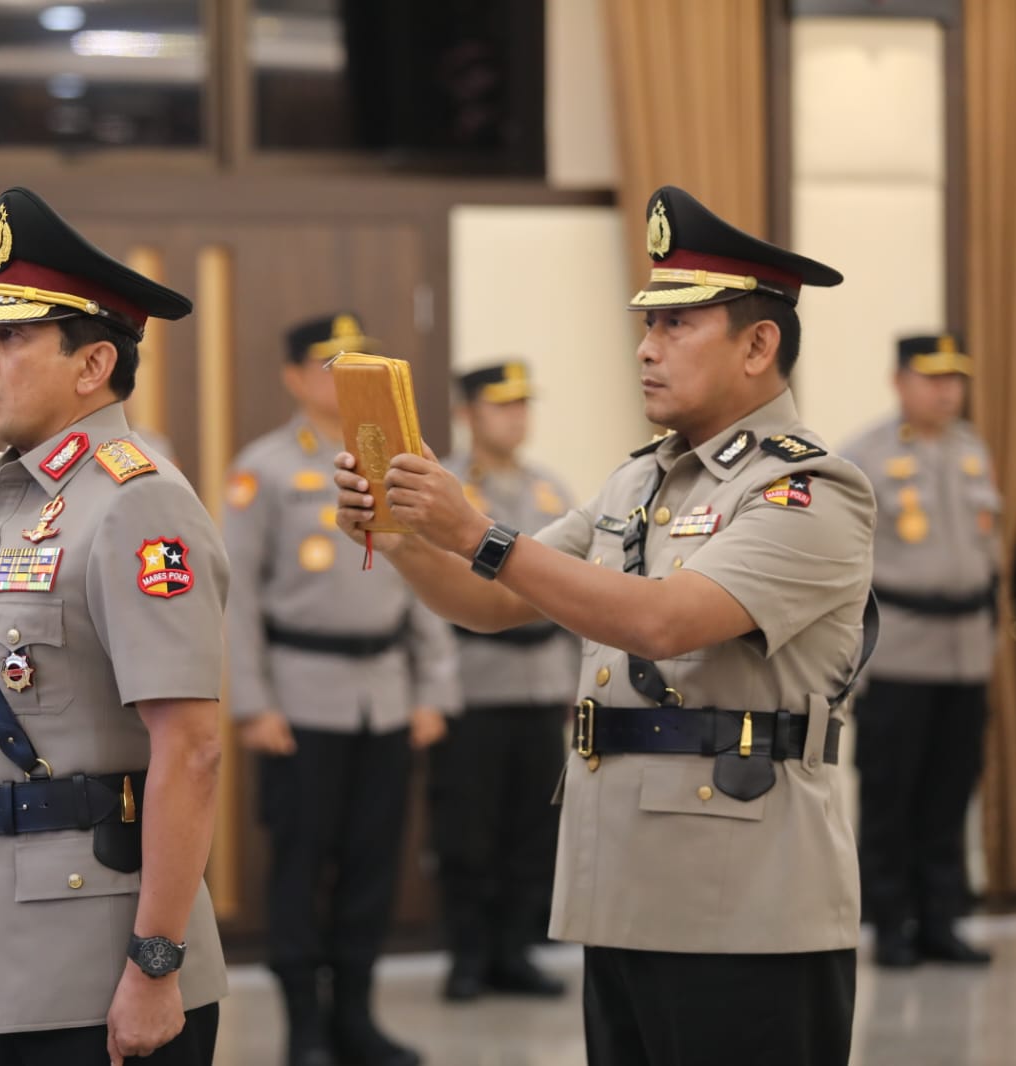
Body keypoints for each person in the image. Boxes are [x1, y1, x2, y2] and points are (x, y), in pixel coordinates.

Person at [334, 186, 875, 1066]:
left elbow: (666, 624)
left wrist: (475, 530)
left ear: (759, 343)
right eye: (646, 326)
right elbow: (495, 602)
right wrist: (399, 536)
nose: (645, 348)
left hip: (745, 902)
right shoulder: (638, 483)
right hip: (622, 885)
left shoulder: (806, 490)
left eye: (675, 327)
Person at [0, 186, 228, 1066]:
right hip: (11, 954)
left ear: (93, 364)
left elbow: (193, 751)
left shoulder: (138, 504)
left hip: (107, 969)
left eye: (9, 337)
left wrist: (155, 964)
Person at [225, 312, 458, 1066]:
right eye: (329, 363)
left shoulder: (401, 461)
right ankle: (305, 1028)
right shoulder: (263, 468)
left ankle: (355, 1018)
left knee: (372, 865)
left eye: (357, 362)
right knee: (300, 867)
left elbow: (429, 579)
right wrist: (252, 704)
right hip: (301, 702)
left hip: (386, 700)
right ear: (294, 377)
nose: (343, 376)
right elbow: (236, 600)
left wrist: (433, 690)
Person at [843, 333, 1000, 968]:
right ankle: (891, 926)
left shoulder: (973, 450)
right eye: (931, 377)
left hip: (966, 653)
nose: (945, 389)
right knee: (890, 793)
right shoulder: (866, 456)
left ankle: (941, 920)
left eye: (954, 378)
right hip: (900, 653)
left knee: (951, 790)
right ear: (899, 381)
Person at [431, 360, 577, 1002]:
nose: (516, 416)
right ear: (467, 413)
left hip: (543, 682)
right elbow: (427, 596)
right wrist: (433, 690)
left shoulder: (550, 490)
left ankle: (515, 952)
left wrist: (580, 685)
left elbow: (579, 593)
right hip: (474, 683)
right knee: (467, 831)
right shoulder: (447, 488)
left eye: (523, 404)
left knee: (532, 828)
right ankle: (468, 956)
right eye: (501, 405)